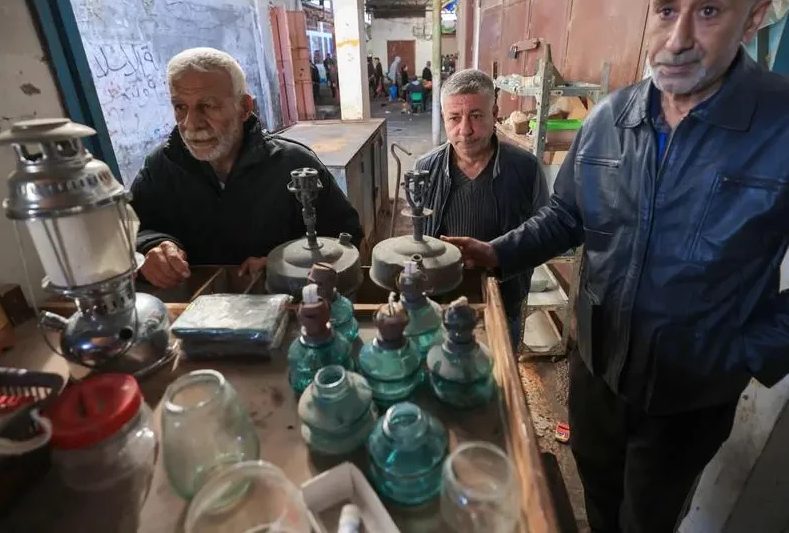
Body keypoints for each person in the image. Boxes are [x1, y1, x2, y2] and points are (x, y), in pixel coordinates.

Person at [444, 0, 789, 531]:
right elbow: (567, 217)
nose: (677, 40)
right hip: (595, 374)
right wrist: (496, 251)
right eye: (667, 8)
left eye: (710, 9)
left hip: (688, 401)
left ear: (754, 16)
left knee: (647, 519)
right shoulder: (609, 119)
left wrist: (749, 350)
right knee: (595, 493)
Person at [131, 47, 363, 289]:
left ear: (244, 107)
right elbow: (124, 234)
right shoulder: (160, 167)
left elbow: (347, 239)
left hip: (284, 306)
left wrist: (288, 266)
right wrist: (151, 246)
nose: (191, 123)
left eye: (208, 106)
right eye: (180, 107)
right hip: (193, 310)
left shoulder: (294, 165)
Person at [417, 69, 548, 348]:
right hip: (441, 299)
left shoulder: (525, 169)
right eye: (454, 118)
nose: (465, 130)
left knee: (499, 379)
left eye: (476, 116)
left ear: (495, 113)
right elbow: (419, 236)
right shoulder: (425, 169)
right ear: (444, 118)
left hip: (505, 300)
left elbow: (544, 235)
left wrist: (498, 255)